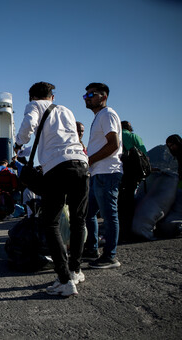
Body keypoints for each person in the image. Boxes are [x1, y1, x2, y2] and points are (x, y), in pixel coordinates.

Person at [14, 81, 89, 296]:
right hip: (81, 165)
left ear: (32, 97)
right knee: (78, 220)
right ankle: (75, 270)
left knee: (51, 223)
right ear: (52, 97)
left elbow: (28, 126)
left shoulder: (34, 106)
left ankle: (65, 280)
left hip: (58, 168)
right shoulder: (66, 110)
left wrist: (19, 143)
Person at [83, 82, 123, 269]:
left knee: (109, 215)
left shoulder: (107, 114)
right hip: (98, 173)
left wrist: (90, 160)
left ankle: (110, 256)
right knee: (88, 213)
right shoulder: (99, 116)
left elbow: (113, 144)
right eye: (85, 96)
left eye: (91, 95)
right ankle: (91, 249)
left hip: (107, 172)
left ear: (103, 96)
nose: (87, 98)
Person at [118, 121, 148, 241]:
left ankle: (122, 231)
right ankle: (131, 230)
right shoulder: (134, 137)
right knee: (130, 201)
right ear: (129, 127)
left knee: (120, 202)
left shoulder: (116, 135)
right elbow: (143, 153)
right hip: (132, 174)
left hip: (118, 172)